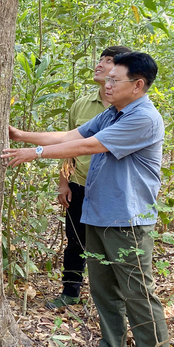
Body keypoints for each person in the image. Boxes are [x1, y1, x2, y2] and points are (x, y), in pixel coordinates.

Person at [2, 52, 174, 347]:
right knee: (102, 286)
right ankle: (112, 345)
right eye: (107, 79)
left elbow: (88, 147)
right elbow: (72, 136)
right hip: (98, 213)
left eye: (114, 80)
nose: (107, 84)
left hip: (128, 221)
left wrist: (32, 154)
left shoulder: (143, 119)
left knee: (138, 292)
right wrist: (22, 136)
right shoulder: (113, 114)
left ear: (138, 85)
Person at [48, 46, 132, 310]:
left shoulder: (131, 111)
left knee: (110, 245)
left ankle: (111, 301)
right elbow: (69, 144)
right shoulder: (82, 105)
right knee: (75, 241)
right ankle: (70, 292)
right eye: (101, 59)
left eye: (109, 62)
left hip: (111, 191)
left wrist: (34, 151)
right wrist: (64, 181)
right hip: (79, 185)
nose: (100, 65)